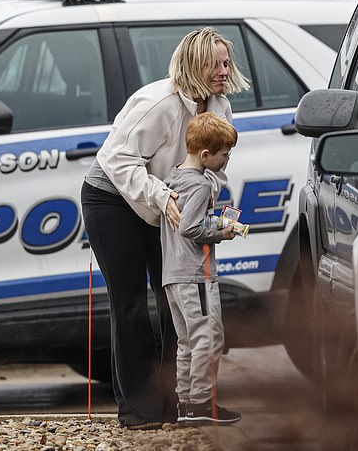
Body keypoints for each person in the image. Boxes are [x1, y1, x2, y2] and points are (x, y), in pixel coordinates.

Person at [80, 27, 249, 429]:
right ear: (194, 64)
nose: (224, 71)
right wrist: (162, 197)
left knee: (176, 298)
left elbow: (211, 164)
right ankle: (138, 410)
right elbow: (118, 160)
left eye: (227, 63)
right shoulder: (158, 101)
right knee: (131, 304)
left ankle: (184, 404)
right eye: (215, 63)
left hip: (168, 206)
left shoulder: (220, 106)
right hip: (113, 200)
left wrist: (207, 207)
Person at [160, 112, 241, 426]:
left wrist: (213, 221)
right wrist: (222, 233)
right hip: (196, 274)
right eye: (225, 155)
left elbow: (183, 221)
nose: (227, 160)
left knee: (187, 341)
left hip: (173, 274)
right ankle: (203, 403)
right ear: (206, 155)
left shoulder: (173, 177)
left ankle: (185, 403)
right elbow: (190, 229)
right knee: (209, 336)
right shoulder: (200, 185)